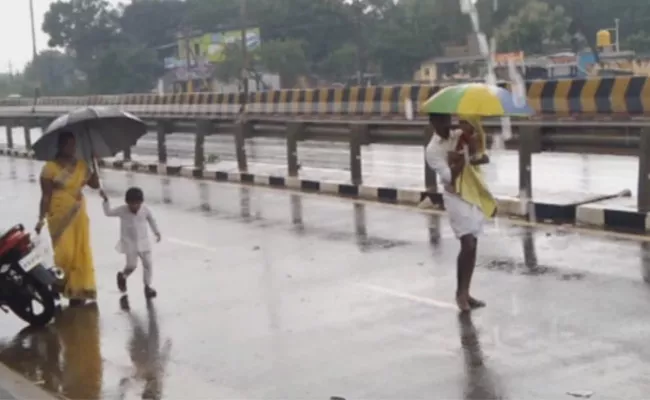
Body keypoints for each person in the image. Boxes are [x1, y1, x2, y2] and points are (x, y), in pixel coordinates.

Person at [425, 113, 491, 312]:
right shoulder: (433, 150)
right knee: (468, 242)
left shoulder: (459, 135)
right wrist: (459, 160)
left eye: (448, 119)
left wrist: (473, 142)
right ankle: (460, 295)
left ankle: (466, 292)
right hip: (454, 197)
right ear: (433, 122)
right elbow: (448, 177)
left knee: (473, 244)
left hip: (471, 194)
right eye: (441, 120)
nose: (447, 124)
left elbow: (480, 154)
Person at [36, 131, 99, 306]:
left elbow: (95, 185)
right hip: (58, 215)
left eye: (74, 145)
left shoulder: (80, 166)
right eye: (68, 145)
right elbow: (46, 196)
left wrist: (94, 163)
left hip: (78, 213)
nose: (72, 149)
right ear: (61, 146)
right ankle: (57, 283)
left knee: (80, 251)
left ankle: (77, 290)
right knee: (65, 253)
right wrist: (41, 218)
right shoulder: (50, 168)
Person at [100, 187, 161, 299]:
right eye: (132, 204)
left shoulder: (145, 210)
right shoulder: (122, 210)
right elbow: (108, 212)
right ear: (127, 202)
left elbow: (151, 220)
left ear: (141, 202)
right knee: (131, 266)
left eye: (137, 203)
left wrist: (156, 232)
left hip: (144, 242)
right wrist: (105, 200)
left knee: (148, 264)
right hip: (130, 243)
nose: (135, 206)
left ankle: (147, 287)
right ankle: (123, 276)